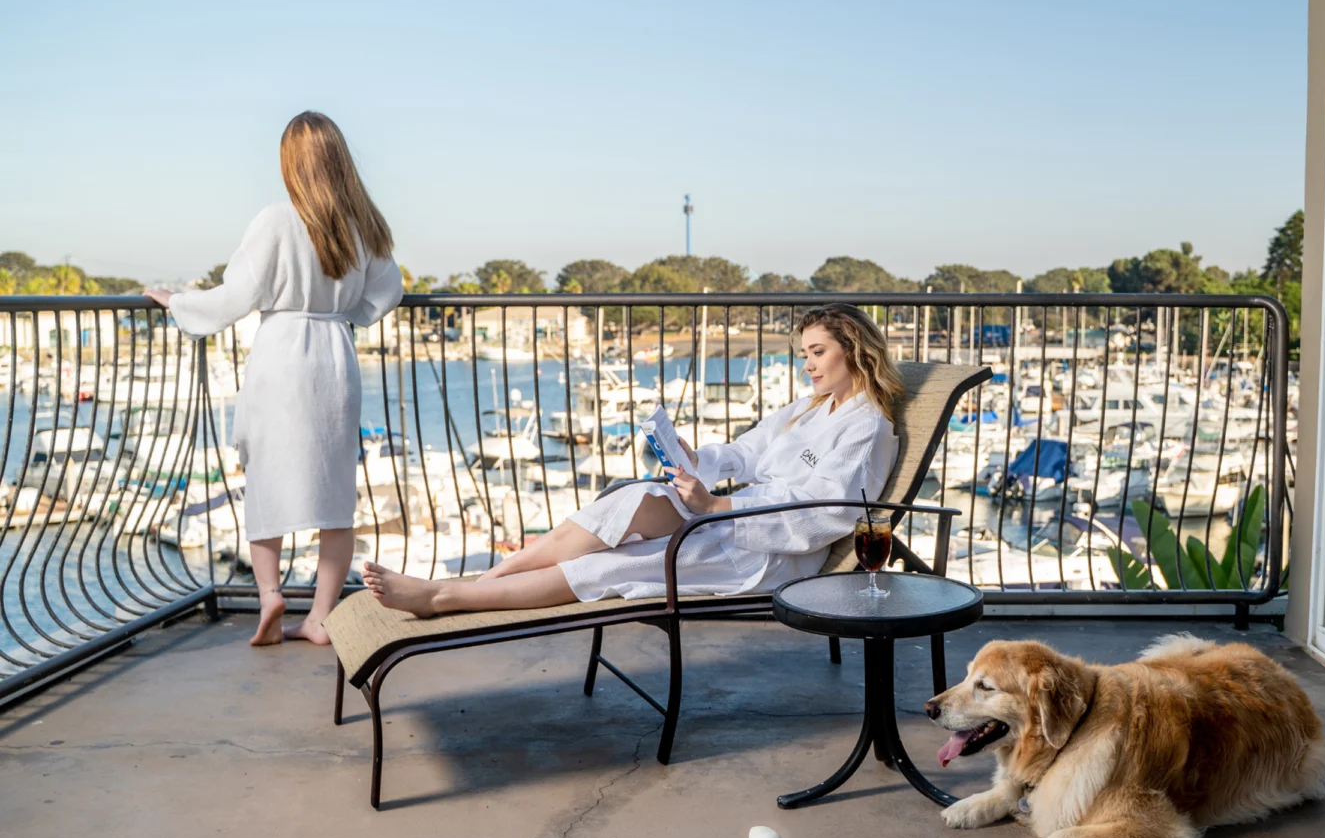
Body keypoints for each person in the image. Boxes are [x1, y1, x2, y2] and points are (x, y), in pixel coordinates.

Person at [362, 303, 903, 617]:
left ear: (853, 349)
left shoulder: (866, 428)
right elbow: (747, 450)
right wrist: (698, 458)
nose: (807, 364)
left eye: (817, 352)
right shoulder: (809, 409)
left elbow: (825, 513)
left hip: (767, 552)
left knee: (603, 567)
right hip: (732, 513)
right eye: (804, 353)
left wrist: (714, 506)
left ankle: (444, 597)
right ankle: (487, 582)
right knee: (627, 501)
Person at [148, 112, 403, 647]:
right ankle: (320, 618)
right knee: (336, 496)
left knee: (264, 479)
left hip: (281, 356)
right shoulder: (364, 225)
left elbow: (236, 296)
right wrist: (343, 314)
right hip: (334, 358)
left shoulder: (275, 220)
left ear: (290, 163)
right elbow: (385, 294)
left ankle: (270, 595)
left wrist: (179, 302)